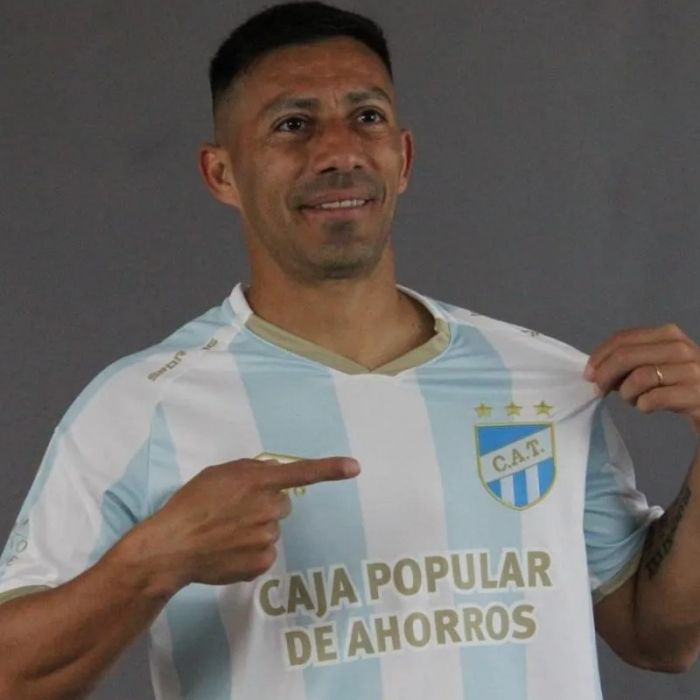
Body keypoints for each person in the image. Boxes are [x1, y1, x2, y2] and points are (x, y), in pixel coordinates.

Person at [1, 2, 699, 699]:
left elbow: (659, 635)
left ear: (404, 158)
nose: (339, 152)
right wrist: (153, 562)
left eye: (366, 117)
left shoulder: (544, 382)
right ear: (222, 174)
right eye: (292, 125)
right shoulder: (141, 407)